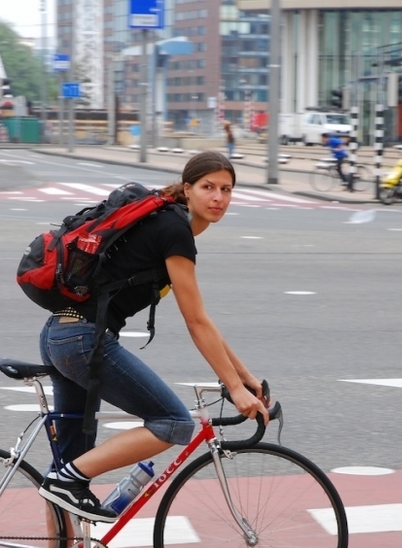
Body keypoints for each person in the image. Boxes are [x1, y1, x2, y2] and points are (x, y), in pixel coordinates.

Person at [37, 151, 270, 523]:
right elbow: (195, 321)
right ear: (188, 188)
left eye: (226, 189)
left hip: (61, 336)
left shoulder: (164, 221)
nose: (218, 198)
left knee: (65, 471)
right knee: (173, 423)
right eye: (208, 187)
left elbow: (201, 319)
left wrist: (242, 377)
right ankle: (69, 483)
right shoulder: (174, 230)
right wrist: (236, 388)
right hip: (83, 342)